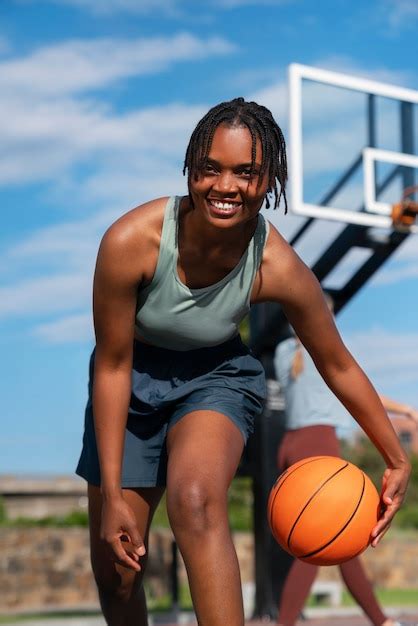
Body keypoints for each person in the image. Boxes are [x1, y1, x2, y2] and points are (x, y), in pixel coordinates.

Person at [75, 97, 411, 626]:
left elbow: (338, 364)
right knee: (117, 571)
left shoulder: (275, 264)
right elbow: (113, 365)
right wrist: (113, 491)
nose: (225, 186)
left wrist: (395, 457)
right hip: (132, 378)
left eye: (246, 173)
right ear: (191, 168)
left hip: (216, 376)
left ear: (269, 179)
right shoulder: (130, 243)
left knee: (195, 500)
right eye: (211, 168)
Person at [274, 297, 418, 626]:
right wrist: (406, 410)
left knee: (337, 538)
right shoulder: (323, 350)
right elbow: (362, 394)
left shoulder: (284, 354)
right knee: (322, 537)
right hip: (318, 441)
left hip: (290, 444)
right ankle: (287, 623)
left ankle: (381, 621)